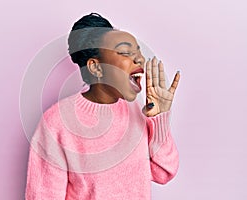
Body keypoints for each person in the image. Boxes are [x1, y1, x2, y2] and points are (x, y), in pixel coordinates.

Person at [25, 13, 180, 200]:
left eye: (138, 52)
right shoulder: (56, 123)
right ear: (96, 68)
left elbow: (164, 172)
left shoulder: (137, 112)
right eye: (125, 52)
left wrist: (160, 118)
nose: (140, 59)